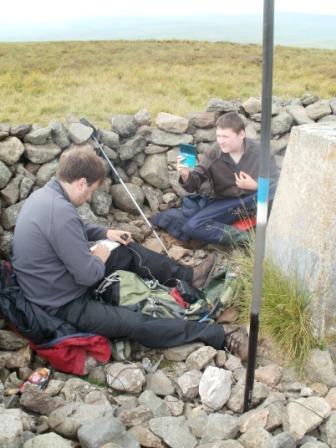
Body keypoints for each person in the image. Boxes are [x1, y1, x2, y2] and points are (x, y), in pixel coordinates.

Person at [12, 147, 248, 359]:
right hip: (62, 302)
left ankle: (189, 276)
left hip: (52, 284)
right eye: (92, 190)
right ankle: (220, 335)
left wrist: (106, 232)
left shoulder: (47, 196)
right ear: (81, 183)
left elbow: (75, 227)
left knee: (124, 249)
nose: (90, 197)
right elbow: (88, 276)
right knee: (135, 323)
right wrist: (98, 257)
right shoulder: (60, 213)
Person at [152, 112, 279, 245]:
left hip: (254, 199)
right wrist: (185, 174)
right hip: (226, 204)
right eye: (218, 136)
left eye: (225, 136)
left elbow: (277, 182)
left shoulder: (260, 152)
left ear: (241, 134)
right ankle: (247, 240)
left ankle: (260, 225)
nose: (221, 141)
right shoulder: (214, 152)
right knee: (192, 226)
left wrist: (256, 185)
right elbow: (193, 184)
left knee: (276, 191)